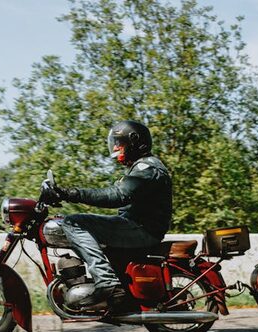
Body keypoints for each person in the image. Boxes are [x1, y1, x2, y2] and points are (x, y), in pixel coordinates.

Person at [41, 120, 172, 313]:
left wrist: (71, 193)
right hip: (136, 226)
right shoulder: (140, 168)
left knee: (73, 222)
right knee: (80, 224)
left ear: (135, 142)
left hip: (142, 229)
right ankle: (114, 292)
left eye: (120, 143)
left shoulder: (148, 169)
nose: (116, 148)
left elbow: (118, 195)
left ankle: (106, 282)